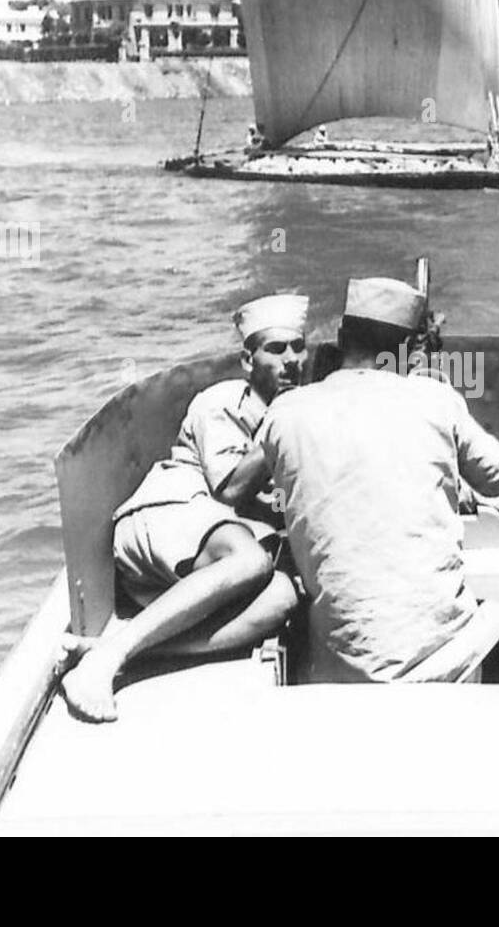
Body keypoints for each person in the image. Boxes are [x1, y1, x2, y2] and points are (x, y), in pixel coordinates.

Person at [219, 277, 499, 683]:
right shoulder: (435, 399)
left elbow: (236, 489)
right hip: (448, 659)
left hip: (344, 669)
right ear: (410, 348)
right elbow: (498, 479)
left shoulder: (286, 411)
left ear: (342, 337)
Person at [60, 294, 309, 721]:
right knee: (251, 559)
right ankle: (105, 662)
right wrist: (281, 424)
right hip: (166, 514)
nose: (291, 361)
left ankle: (119, 651)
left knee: (284, 598)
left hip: (205, 558)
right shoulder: (224, 400)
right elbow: (229, 489)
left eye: (297, 348)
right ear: (248, 361)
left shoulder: (291, 412)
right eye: (275, 349)